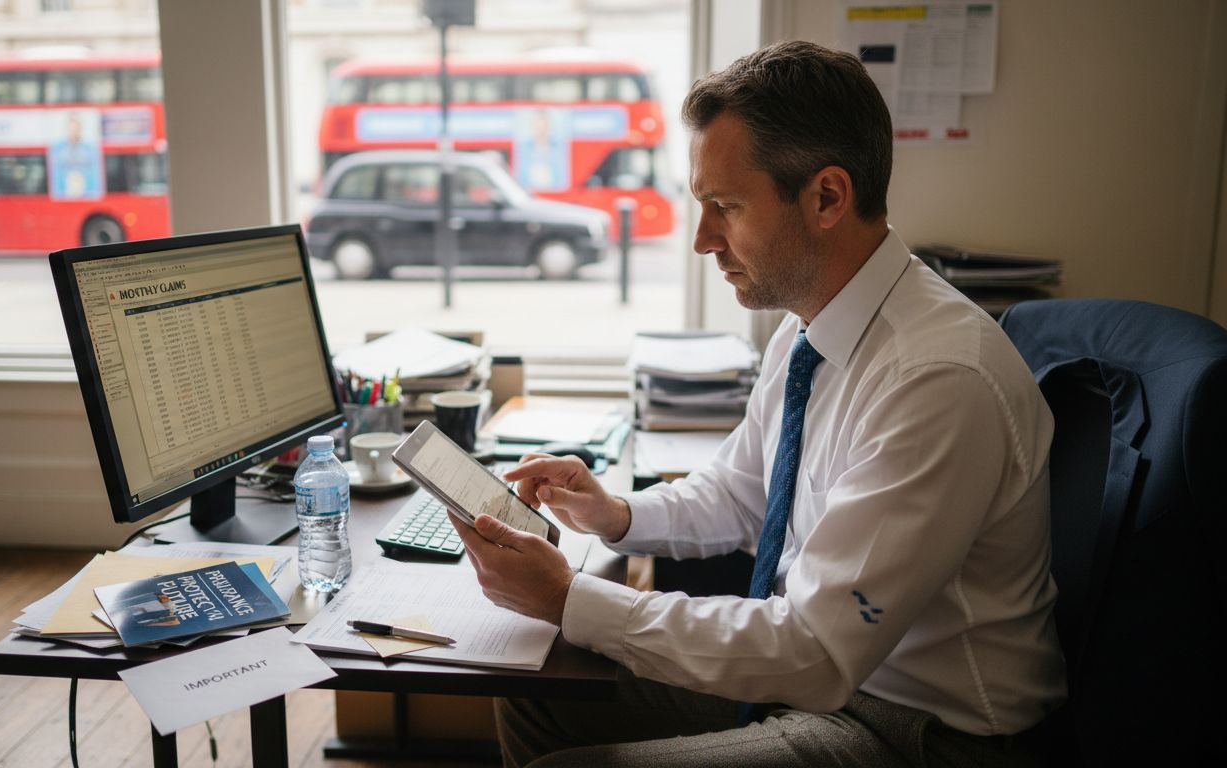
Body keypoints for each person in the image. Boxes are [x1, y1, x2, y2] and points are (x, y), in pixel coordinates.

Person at [449, 40, 1065, 767]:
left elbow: (814, 652)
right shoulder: (809, 327)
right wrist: (615, 514)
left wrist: (568, 598)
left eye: (725, 207)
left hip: (919, 729)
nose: (703, 240)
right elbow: (743, 494)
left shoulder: (937, 379)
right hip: (829, 673)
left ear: (827, 197)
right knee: (541, 689)